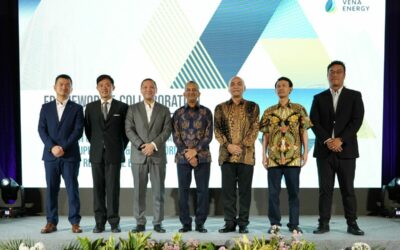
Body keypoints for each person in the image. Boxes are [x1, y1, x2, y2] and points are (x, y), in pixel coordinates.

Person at [310, 61, 365, 235]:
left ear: (344, 74)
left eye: (338, 72)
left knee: (348, 189)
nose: (335, 75)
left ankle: (352, 224)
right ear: (327, 75)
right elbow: (314, 122)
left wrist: (340, 139)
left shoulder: (355, 96)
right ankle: (323, 224)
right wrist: (328, 140)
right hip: (324, 152)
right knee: (324, 191)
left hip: (346, 151)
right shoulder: (318, 98)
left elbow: (356, 121)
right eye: (331, 72)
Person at [259, 77, 312, 234]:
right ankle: (275, 224)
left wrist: (305, 153)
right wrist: (264, 154)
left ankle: (294, 224)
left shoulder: (299, 109)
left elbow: (304, 131)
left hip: (293, 157)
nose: (281, 88)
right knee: (273, 193)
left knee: (293, 192)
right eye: (278, 86)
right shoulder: (269, 111)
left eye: (284, 85)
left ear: (290, 89)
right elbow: (265, 135)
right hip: (274, 158)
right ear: (275, 90)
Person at [38, 74, 84, 234]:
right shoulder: (46, 108)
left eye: (67, 85)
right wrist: (52, 147)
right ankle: (51, 222)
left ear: (71, 88)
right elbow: (41, 130)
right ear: (55, 87)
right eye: (61, 84)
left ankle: (75, 222)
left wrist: (62, 147)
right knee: (51, 189)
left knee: (72, 189)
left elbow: (78, 131)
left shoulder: (77, 108)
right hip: (50, 156)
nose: (64, 87)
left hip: (70, 155)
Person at [125, 78, 172, 233]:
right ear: (141, 89)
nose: (148, 89)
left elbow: (166, 131)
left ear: (156, 90)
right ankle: (140, 222)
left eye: (152, 87)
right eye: (145, 87)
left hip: (157, 156)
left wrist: (153, 145)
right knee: (139, 192)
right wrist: (141, 145)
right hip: (139, 156)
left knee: (158, 191)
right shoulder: (132, 109)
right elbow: (129, 130)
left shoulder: (164, 110)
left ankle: (158, 222)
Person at [214, 76, 259, 234]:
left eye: (239, 84)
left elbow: (254, 129)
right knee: (228, 192)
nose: (236, 86)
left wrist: (240, 146)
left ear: (244, 87)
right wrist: (229, 146)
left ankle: (243, 223)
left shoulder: (253, 107)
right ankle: (229, 223)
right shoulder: (220, 108)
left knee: (245, 192)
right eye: (232, 84)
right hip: (226, 156)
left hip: (246, 156)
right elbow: (217, 130)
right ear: (229, 89)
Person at [84, 74, 129, 233]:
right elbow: (89, 132)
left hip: (114, 154)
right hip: (96, 154)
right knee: (98, 189)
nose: (104, 87)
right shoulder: (90, 107)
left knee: (113, 189)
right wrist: (99, 145)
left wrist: (117, 147)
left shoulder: (122, 107)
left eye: (108, 85)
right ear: (97, 88)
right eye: (101, 85)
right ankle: (99, 222)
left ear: (113, 87)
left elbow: (126, 133)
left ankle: (114, 222)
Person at [171, 81, 213, 233]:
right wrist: (188, 154)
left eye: (194, 90)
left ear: (199, 93)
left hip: (203, 157)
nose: (191, 92)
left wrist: (195, 151)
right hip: (183, 158)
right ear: (184, 94)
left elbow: (209, 136)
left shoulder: (207, 112)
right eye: (188, 90)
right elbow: (175, 137)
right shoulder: (177, 113)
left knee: (203, 191)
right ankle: (186, 224)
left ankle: (200, 223)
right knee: (183, 191)